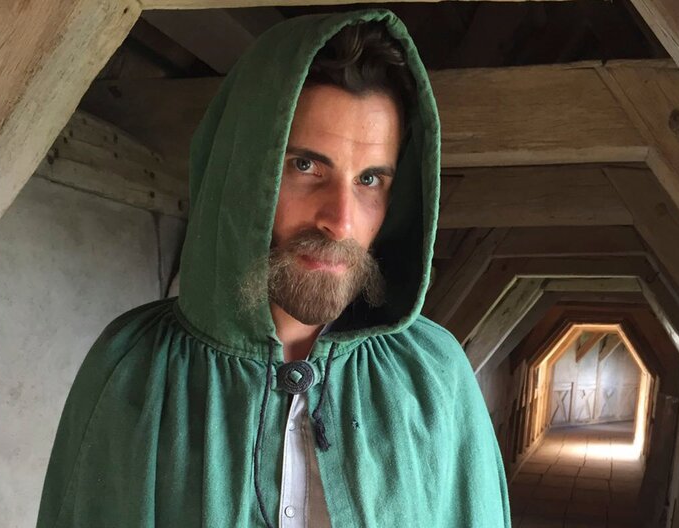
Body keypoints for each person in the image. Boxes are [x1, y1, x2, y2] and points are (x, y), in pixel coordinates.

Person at [36, 9, 511, 528]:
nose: (340, 222)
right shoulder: (132, 366)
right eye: (306, 166)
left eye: (370, 180)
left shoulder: (435, 375)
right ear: (243, 171)